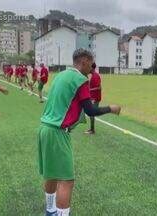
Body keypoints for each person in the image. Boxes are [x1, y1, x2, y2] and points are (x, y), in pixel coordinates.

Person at [37, 49, 121, 216]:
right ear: (84, 61)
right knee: (67, 181)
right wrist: (111, 108)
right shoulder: (80, 80)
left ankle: (50, 210)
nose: (92, 68)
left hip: (44, 129)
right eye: (91, 63)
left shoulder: (62, 75)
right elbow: (90, 110)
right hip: (58, 132)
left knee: (51, 173)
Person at [84, 63, 102, 134]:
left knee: (91, 114)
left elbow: (99, 87)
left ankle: (92, 130)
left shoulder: (95, 76)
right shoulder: (94, 75)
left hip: (95, 98)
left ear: (92, 68)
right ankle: (92, 129)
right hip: (93, 97)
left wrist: (89, 90)